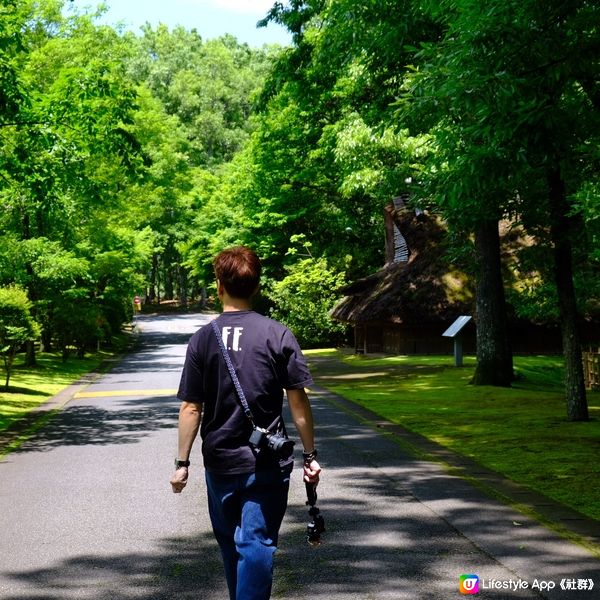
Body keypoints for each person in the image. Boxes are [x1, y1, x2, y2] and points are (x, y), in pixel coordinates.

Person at [170, 246, 321, 600]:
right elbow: (297, 400)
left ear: (219, 285)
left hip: (220, 463)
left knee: (230, 544)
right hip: (267, 462)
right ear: (256, 286)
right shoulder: (277, 334)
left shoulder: (203, 339)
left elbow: (192, 408)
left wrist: (182, 464)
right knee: (256, 543)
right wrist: (311, 455)